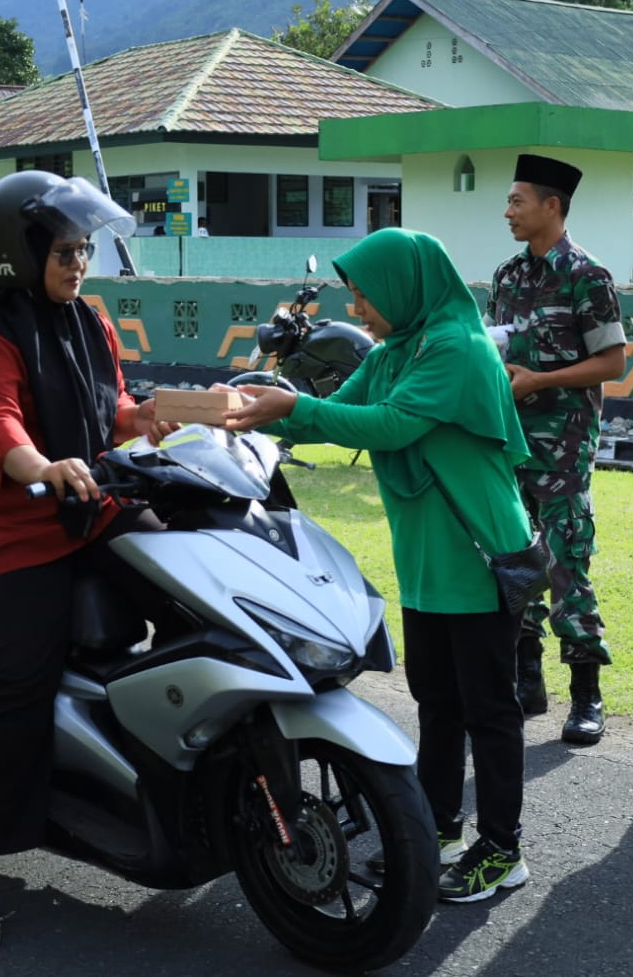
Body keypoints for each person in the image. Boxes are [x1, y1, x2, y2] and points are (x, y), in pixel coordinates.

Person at [225, 227, 535, 904]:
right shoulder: (400, 347)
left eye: (367, 296)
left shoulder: (454, 346)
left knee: (488, 710)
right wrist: (249, 412)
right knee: (437, 701)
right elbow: (338, 413)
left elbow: (391, 425)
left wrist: (291, 407)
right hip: (429, 558)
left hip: (477, 554)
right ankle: (441, 827)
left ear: (404, 287)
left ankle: (501, 849)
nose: (359, 310)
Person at [0, 170, 174, 950]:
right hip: (4, 527)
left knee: (192, 582)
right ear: (18, 254)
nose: (78, 263)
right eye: (64, 251)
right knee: (17, 680)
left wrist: (149, 420)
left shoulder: (89, 320)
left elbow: (111, 409)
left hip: (89, 505)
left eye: (85, 249)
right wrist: (38, 465)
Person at [486, 153, 626, 743]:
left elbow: (613, 362)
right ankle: (527, 679)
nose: (508, 211)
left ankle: (586, 696)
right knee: (514, 557)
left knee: (567, 558)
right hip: (510, 440)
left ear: (552, 206)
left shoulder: (587, 276)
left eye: (518, 201)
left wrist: (541, 380)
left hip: (565, 443)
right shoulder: (508, 276)